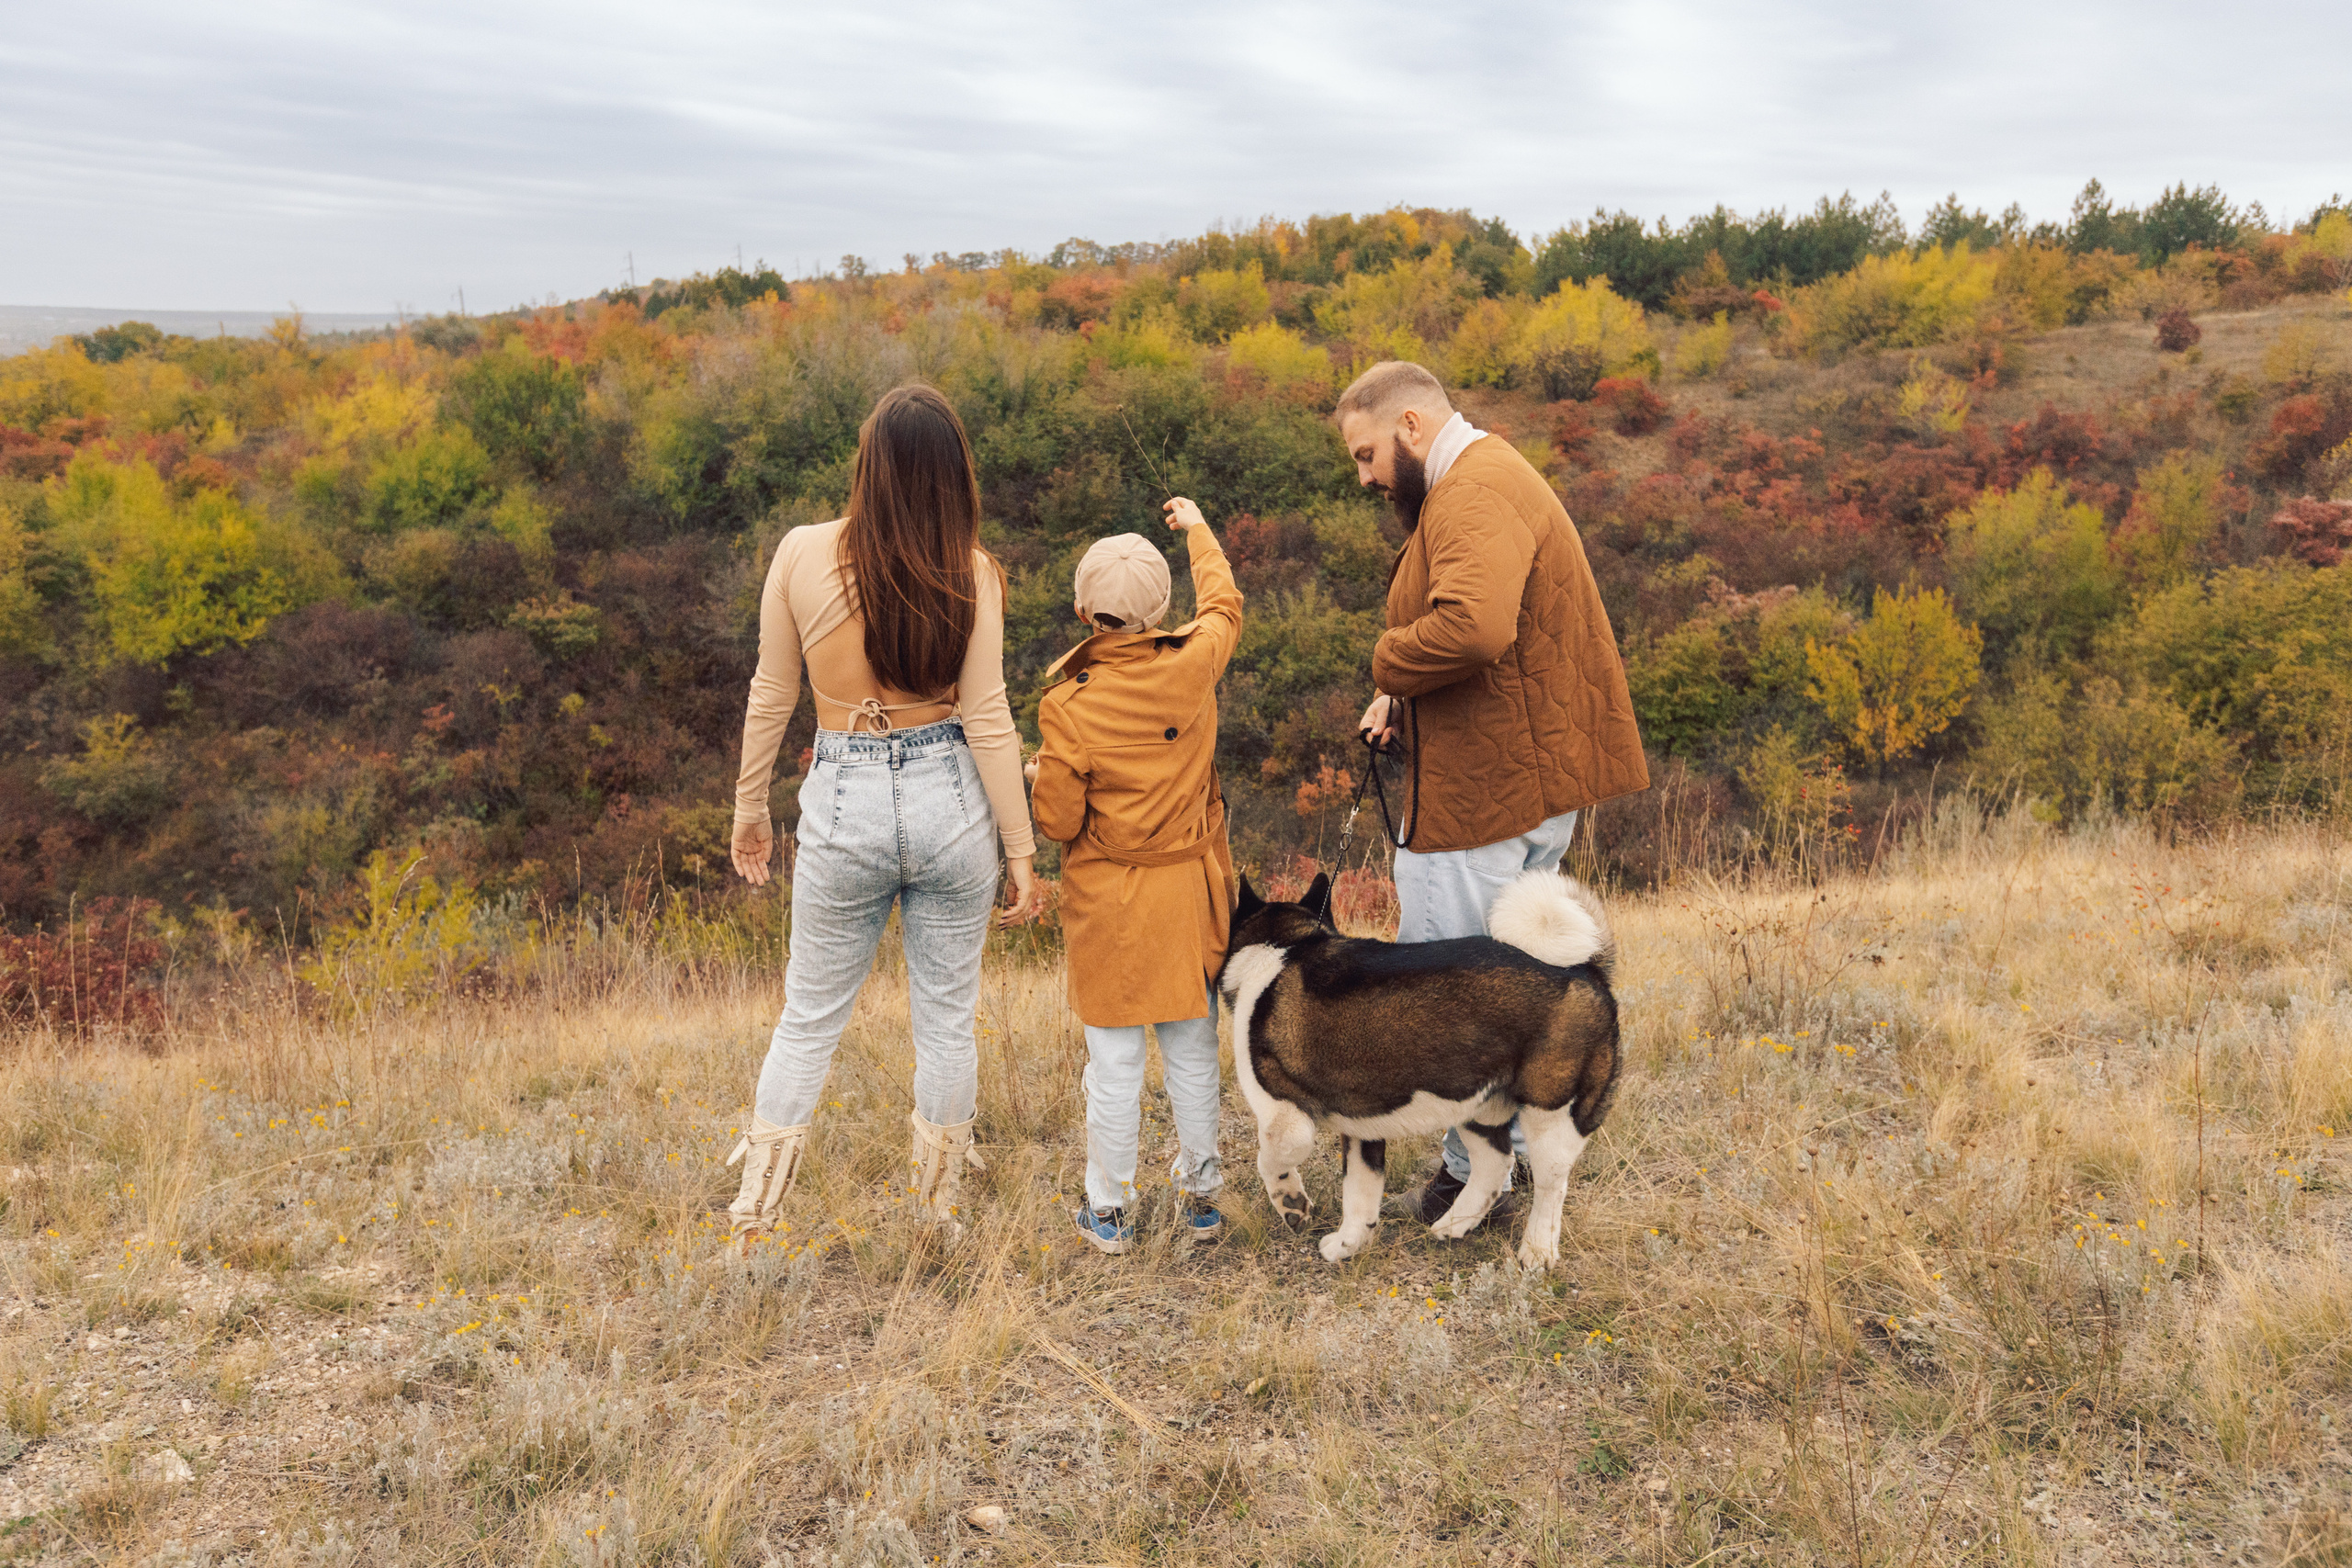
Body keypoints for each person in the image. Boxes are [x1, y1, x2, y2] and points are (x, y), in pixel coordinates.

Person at [724, 383, 1048, 1249]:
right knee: (947, 1016)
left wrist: (749, 804)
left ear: (866, 463)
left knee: (808, 1015)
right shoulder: (972, 569)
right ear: (954, 476)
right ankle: (936, 1215)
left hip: (844, 789)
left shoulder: (798, 552)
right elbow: (987, 715)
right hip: (949, 792)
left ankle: (755, 1212)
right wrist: (1020, 848)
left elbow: (771, 690)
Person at [1338, 361, 1648, 1228]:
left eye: (1366, 455)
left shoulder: (1471, 490)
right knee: (1516, 987)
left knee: (1451, 991)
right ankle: (1505, 1172)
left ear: (1408, 425)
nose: (1364, 477)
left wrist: (1386, 662)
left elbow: (1473, 626)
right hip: (1520, 774)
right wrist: (1402, 698)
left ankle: (1467, 1180)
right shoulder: (1489, 475)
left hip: (1486, 794)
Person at [1028, 497, 1242, 1255]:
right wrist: (1198, 531)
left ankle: (1109, 1213)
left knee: (1113, 1062)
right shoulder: (1195, 660)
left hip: (1112, 900)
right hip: (1189, 889)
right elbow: (1224, 602)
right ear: (1161, 609)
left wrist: (1041, 771)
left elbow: (1056, 820)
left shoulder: (1069, 705)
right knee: (1192, 1047)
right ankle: (1203, 1200)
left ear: (1084, 608)